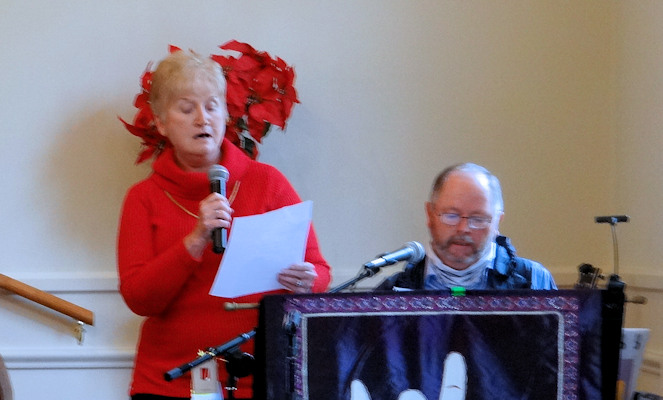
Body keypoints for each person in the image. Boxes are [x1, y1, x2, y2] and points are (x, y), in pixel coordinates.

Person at [117, 50, 331, 400]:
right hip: (170, 381)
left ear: (225, 115)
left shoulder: (268, 183)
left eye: (212, 106)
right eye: (187, 109)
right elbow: (140, 299)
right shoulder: (143, 198)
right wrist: (195, 240)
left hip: (260, 378)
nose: (203, 118)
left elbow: (320, 271)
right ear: (161, 123)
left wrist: (309, 281)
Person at [377, 162, 555, 291]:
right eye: (451, 215)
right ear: (430, 215)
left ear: (497, 223)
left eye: (478, 219)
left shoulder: (533, 281)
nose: (463, 228)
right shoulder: (394, 290)